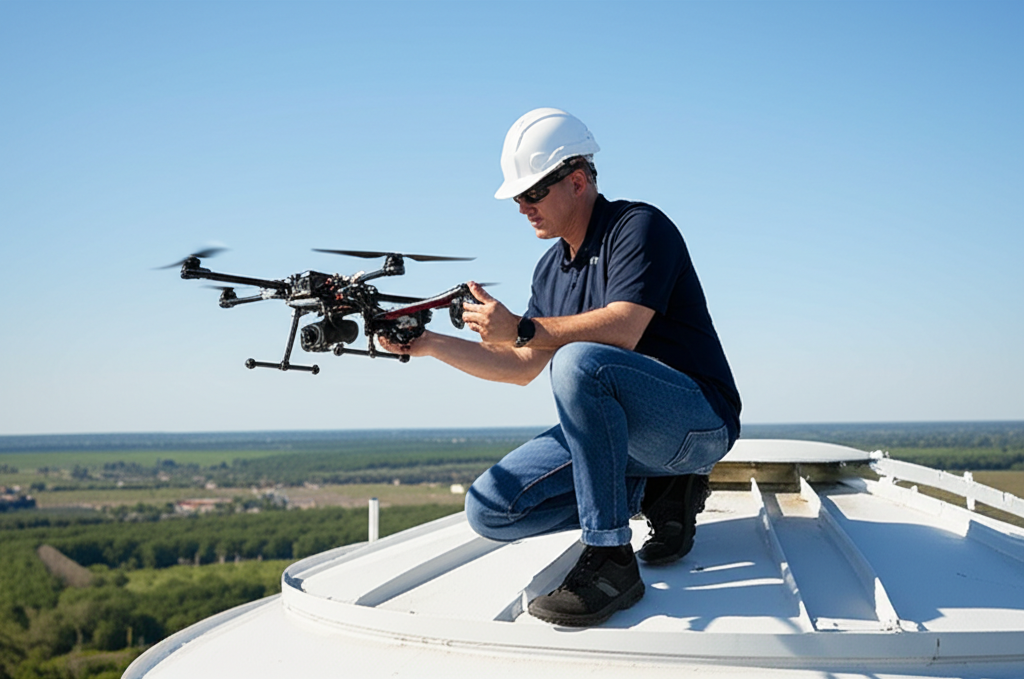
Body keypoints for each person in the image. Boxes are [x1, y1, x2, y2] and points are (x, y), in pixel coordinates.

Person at [379, 108, 741, 627]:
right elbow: (522, 366)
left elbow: (623, 328)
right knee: (490, 508)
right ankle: (656, 491)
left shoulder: (639, 227)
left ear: (576, 182)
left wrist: (522, 328)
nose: (523, 208)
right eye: (518, 199)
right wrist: (429, 343)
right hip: (628, 437)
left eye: (532, 194)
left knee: (579, 363)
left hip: (697, 422)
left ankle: (611, 559)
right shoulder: (551, 269)